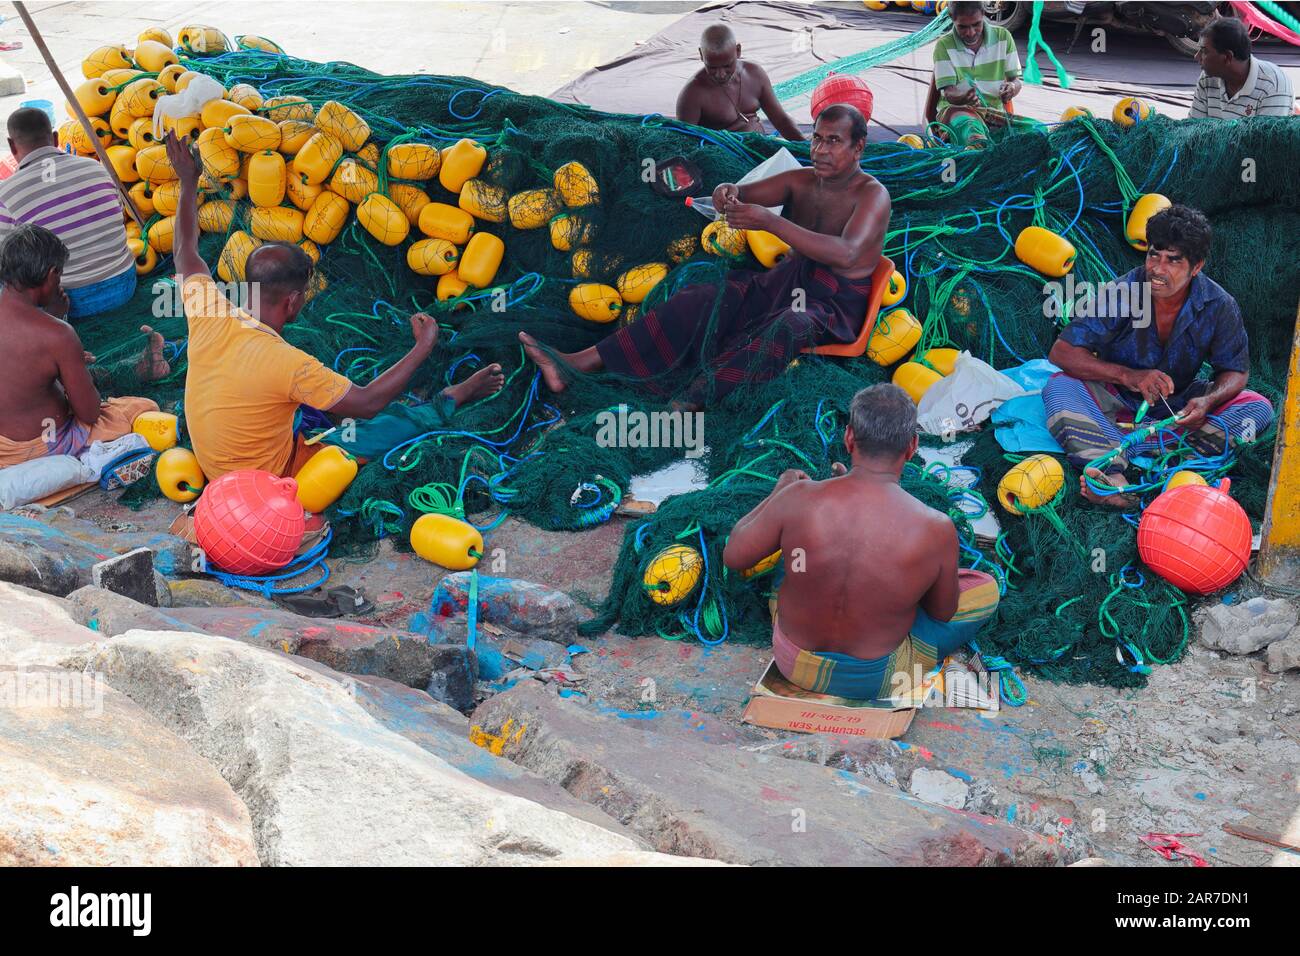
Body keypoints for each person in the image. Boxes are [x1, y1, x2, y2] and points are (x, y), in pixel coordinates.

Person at [163, 132, 505, 483]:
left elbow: (185, 252)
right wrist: (423, 347)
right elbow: (367, 401)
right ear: (293, 301)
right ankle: (448, 399)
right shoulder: (288, 364)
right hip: (267, 480)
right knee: (381, 429)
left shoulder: (209, 313)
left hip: (216, 467)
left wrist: (188, 181)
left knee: (312, 404)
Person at [520, 104, 889, 411]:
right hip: (784, 282)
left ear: (858, 148)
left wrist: (769, 223)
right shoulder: (801, 180)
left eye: (834, 142)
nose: (821, 150)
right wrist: (724, 192)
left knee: (791, 323)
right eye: (817, 139)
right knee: (699, 298)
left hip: (833, 305)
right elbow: (741, 191)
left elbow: (847, 252)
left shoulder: (873, 196)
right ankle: (579, 362)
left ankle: (693, 399)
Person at [721, 383, 1000, 703]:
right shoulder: (936, 528)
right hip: (880, 677)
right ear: (912, 446)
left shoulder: (798, 498)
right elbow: (941, 612)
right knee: (984, 588)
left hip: (793, 664)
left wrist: (779, 492)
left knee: (794, 556)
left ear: (849, 437)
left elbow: (734, 554)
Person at [1043, 205, 1274, 507]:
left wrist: (1207, 401)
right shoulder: (1122, 292)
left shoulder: (1219, 305)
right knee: (1059, 387)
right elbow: (1062, 352)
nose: (1158, 268)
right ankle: (1114, 475)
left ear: (1196, 267)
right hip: (1114, 402)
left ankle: (1176, 467)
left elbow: (1235, 371)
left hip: (1175, 411)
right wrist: (1128, 376)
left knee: (1258, 408)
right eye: (1154, 255)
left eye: (1173, 261)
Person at [0, 224, 165, 468]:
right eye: (59, 275)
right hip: (48, 443)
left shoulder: (50, 330)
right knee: (140, 407)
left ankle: (140, 368)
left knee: (75, 373)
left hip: (4, 447)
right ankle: (144, 369)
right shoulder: (57, 335)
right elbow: (89, 413)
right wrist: (70, 361)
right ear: (51, 274)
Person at [0, 108, 137, 321]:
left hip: (67, 301)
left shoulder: (5, 194)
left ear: (11, 145)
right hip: (124, 283)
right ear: (55, 138)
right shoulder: (96, 168)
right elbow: (120, 214)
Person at [676, 24, 805, 141]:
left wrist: (805, 148)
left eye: (727, 66)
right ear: (701, 55)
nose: (720, 74)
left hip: (761, 145)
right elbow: (684, 142)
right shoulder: (692, 94)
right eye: (712, 67)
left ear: (738, 50)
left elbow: (781, 120)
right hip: (724, 157)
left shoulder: (755, 74)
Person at [931, 1, 1023, 148]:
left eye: (976, 24)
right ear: (951, 17)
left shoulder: (1003, 37)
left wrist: (1012, 87)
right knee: (974, 137)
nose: (971, 32)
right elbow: (949, 93)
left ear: (984, 14)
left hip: (993, 114)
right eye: (963, 26)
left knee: (1037, 132)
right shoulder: (944, 45)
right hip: (958, 113)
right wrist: (962, 97)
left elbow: (1016, 81)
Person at [1191, 17, 1295, 120]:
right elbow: (1192, 129)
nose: (1196, 56)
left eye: (1204, 51)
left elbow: (1266, 136)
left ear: (1227, 57)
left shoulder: (1273, 86)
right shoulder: (1207, 78)